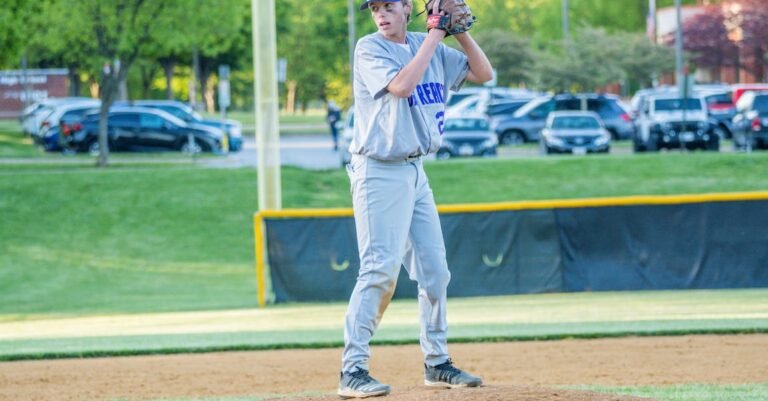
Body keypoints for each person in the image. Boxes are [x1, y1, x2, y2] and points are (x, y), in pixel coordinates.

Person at [338, 0, 493, 398]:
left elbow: (484, 73)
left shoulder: (435, 47)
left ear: (408, 7)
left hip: (414, 171)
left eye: (389, 5)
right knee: (378, 272)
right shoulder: (369, 48)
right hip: (377, 170)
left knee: (435, 272)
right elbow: (402, 86)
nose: (381, 14)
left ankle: (437, 362)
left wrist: (459, 31)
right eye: (375, 8)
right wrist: (436, 33)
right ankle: (352, 370)